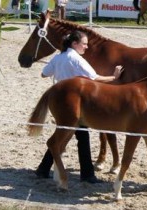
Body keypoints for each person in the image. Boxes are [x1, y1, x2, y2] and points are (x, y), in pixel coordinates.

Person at [35, 30, 123, 183]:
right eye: (84, 44)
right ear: (74, 44)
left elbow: (43, 74)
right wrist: (114, 77)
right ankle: (87, 175)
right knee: (81, 137)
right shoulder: (77, 59)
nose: (86, 47)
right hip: (74, 101)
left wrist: (57, 66)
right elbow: (95, 78)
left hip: (58, 101)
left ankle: (43, 169)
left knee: (64, 135)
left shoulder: (58, 57)